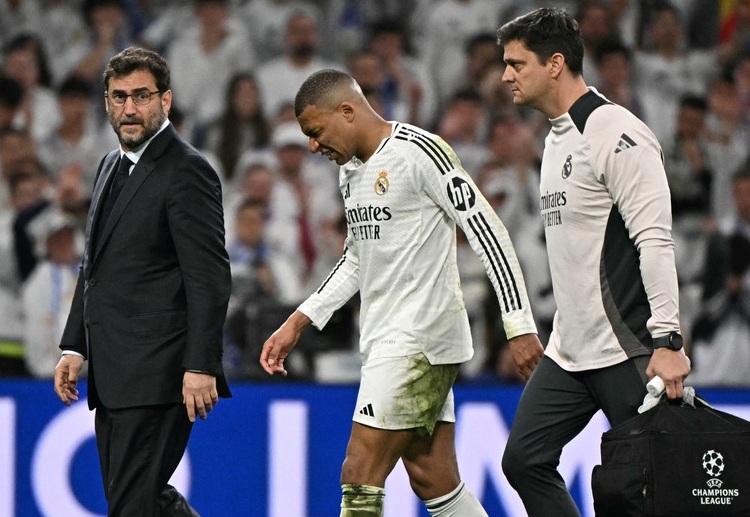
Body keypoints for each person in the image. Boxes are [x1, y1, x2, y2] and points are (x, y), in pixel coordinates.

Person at [260, 68, 542, 517]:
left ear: (346, 111)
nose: (312, 146)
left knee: (359, 472)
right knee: (434, 480)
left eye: (315, 132)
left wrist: (519, 325)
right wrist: (299, 320)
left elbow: (487, 230)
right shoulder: (351, 172)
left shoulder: (420, 152)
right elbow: (357, 258)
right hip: (386, 339)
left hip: (418, 339)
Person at [496, 8, 691, 516]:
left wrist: (668, 340)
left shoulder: (615, 131)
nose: (506, 76)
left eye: (516, 63)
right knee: (524, 461)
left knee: (662, 488)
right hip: (570, 351)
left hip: (625, 347)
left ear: (555, 64)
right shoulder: (554, 139)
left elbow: (655, 240)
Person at [53, 47, 232, 516]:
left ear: (165, 100)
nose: (129, 108)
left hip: (160, 373)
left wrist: (202, 364)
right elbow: (95, 265)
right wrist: (75, 346)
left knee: (132, 505)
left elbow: (209, 276)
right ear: (107, 103)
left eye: (141, 96)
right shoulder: (109, 165)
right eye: (119, 97)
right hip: (114, 373)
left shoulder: (187, 170)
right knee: (141, 501)